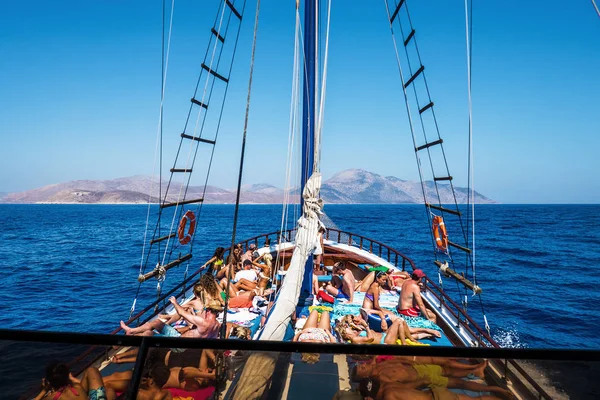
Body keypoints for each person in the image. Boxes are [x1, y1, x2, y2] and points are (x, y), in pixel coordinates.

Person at [352, 358, 512, 398]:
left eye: (361, 365)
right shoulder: (379, 381)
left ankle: (475, 369)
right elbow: (404, 387)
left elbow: (400, 361)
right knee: (459, 383)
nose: (364, 366)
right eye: (362, 369)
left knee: (448, 368)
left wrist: (411, 361)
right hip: (422, 377)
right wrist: (422, 381)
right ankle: (492, 389)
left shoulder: (376, 365)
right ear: (364, 377)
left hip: (418, 368)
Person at [119, 298, 222, 340]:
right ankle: (131, 331)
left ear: (208, 309)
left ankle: (130, 335)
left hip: (177, 345)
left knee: (148, 334)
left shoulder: (203, 322)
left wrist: (174, 302)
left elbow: (181, 312)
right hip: (183, 342)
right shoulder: (217, 325)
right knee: (157, 323)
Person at [358, 377, 506, 400]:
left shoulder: (389, 396)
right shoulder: (391, 386)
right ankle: (499, 392)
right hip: (434, 392)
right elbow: (416, 384)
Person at [34, 363, 115, 400]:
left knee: (110, 391)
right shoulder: (77, 388)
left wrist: (44, 390)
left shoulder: (50, 398)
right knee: (110, 391)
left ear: (49, 381)